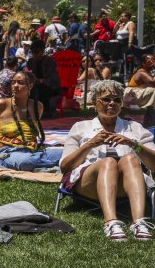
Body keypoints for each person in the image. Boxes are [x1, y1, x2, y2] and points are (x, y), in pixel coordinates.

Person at [60, 80, 155, 241]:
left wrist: (133, 144)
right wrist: (90, 144)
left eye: (117, 100)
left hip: (126, 185)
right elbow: (65, 167)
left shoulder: (135, 128)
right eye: (106, 99)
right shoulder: (80, 127)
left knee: (130, 158)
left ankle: (139, 221)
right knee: (108, 162)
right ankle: (110, 221)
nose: (112, 103)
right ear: (95, 102)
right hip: (88, 184)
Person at [0, 71, 63, 171]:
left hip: (31, 152)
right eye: (13, 82)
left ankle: (45, 163)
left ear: (30, 86)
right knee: (27, 162)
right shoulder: (0, 105)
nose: (15, 86)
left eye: (20, 83)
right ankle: (56, 165)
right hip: (7, 154)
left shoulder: (37, 107)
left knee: (67, 152)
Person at [25, 39, 61, 118]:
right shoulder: (30, 61)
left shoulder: (49, 61)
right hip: (34, 84)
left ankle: (45, 112)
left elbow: (53, 78)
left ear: (42, 51)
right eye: (33, 52)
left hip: (49, 85)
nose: (34, 54)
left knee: (42, 90)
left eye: (37, 52)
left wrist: (42, 81)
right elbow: (28, 73)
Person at [124, 55, 155, 127]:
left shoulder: (147, 72)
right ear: (143, 64)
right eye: (150, 60)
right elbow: (153, 82)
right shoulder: (141, 73)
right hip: (132, 96)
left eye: (154, 60)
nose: (153, 62)